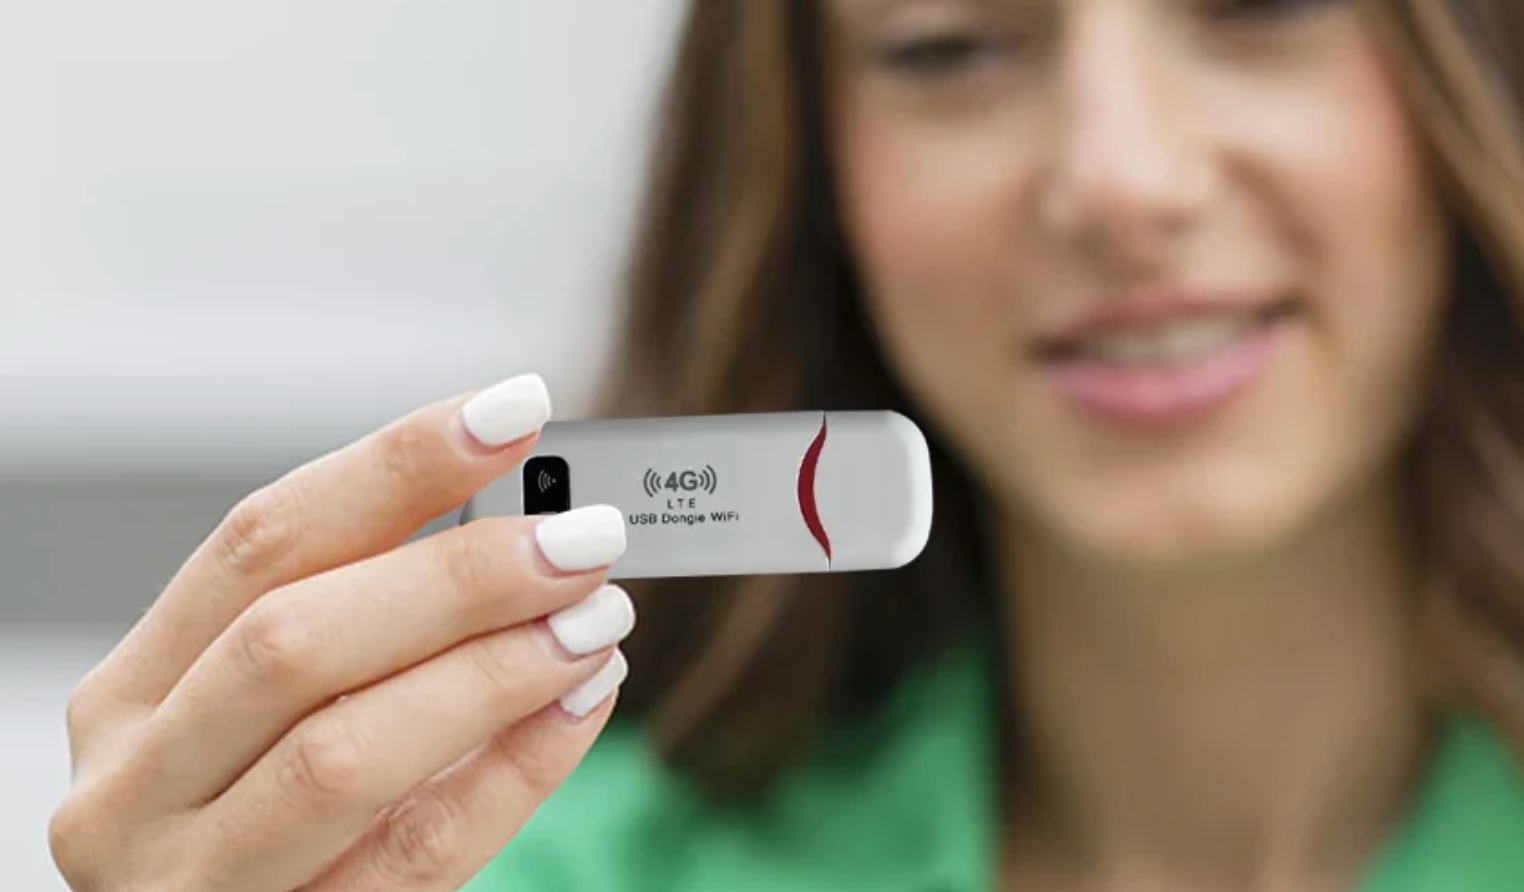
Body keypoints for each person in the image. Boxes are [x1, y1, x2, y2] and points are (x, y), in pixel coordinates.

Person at [47, 0, 1524, 889]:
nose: (1121, 179)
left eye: (1266, 6)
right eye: (949, 45)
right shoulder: (495, 866)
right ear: (810, 170)